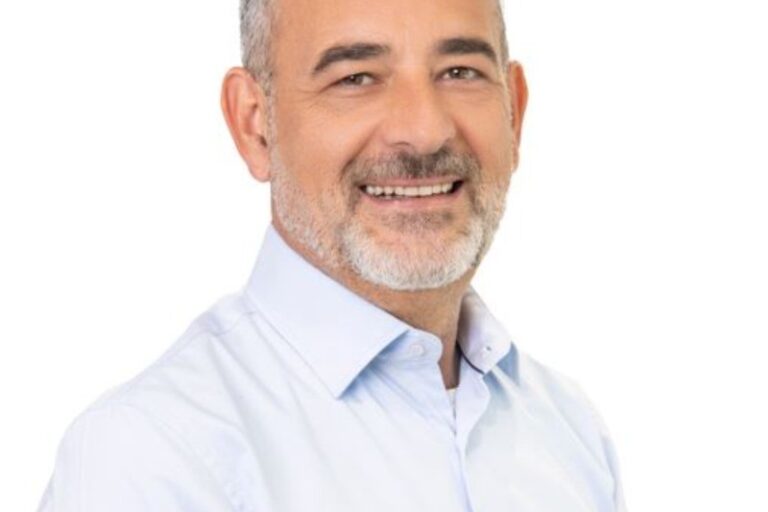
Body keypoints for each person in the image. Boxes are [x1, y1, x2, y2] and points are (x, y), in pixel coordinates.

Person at [38, 0, 627, 510]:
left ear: (514, 112)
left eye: (459, 71)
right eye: (356, 78)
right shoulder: (151, 456)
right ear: (254, 125)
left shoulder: (570, 432)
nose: (424, 130)